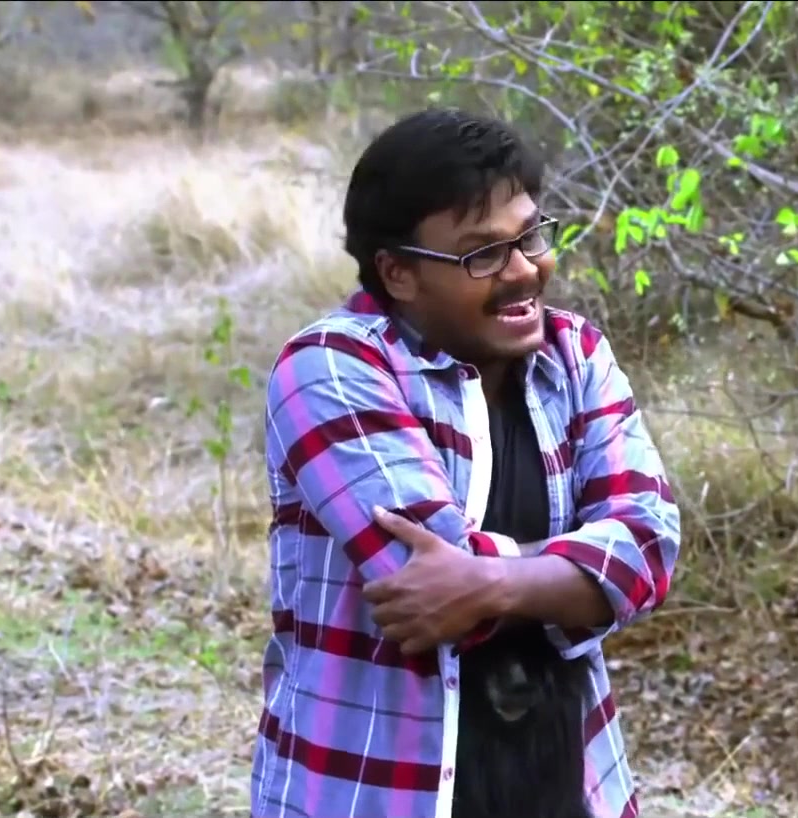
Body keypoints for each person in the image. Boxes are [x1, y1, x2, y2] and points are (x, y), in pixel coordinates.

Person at [250, 108, 681, 818]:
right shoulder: (329, 368)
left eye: (530, 237)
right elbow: (422, 583)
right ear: (398, 272)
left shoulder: (576, 357)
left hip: (567, 788)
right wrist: (572, 576)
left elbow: (649, 548)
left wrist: (488, 582)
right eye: (482, 254)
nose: (524, 270)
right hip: (374, 791)